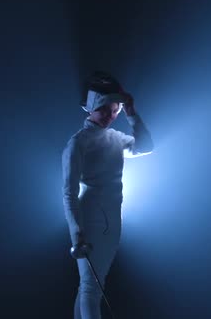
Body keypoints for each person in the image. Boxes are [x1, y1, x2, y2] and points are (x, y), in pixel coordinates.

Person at [62, 71, 154, 319]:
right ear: (90, 107)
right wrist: (76, 233)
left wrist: (131, 112)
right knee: (92, 289)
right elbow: (69, 193)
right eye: (104, 109)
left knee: (90, 288)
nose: (111, 116)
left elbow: (146, 146)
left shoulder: (115, 139)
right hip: (90, 221)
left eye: (115, 111)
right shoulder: (78, 144)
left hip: (113, 221)